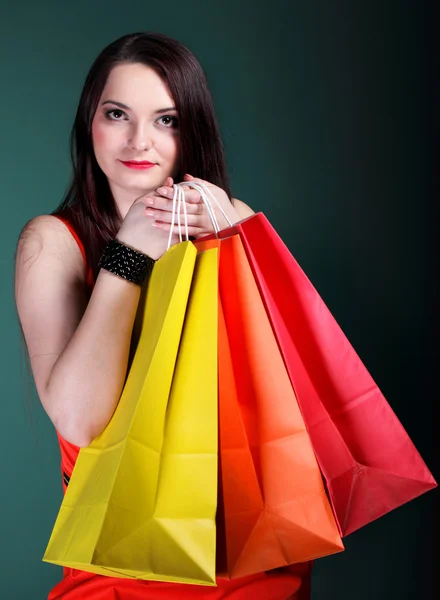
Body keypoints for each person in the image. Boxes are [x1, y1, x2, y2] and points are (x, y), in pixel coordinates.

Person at [14, 32, 313, 599]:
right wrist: (127, 257)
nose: (138, 140)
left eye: (166, 119)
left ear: (192, 129)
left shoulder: (236, 219)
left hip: (246, 553)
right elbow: (80, 421)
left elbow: (282, 401)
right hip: (119, 562)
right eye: (117, 113)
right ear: (89, 123)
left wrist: (231, 243)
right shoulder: (54, 242)